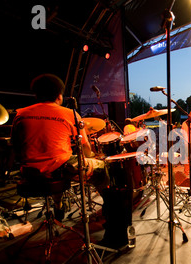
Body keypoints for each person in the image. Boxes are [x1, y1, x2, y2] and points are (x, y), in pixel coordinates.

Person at [11, 74, 129, 250]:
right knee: (109, 170)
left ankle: (59, 205)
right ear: (59, 95)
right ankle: (115, 234)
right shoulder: (69, 114)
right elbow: (87, 150)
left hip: (30, 172)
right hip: (61, 168)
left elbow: (16, 147)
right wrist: (94, 157)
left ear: (36, 95)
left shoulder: (21, 114)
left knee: (61, 162)